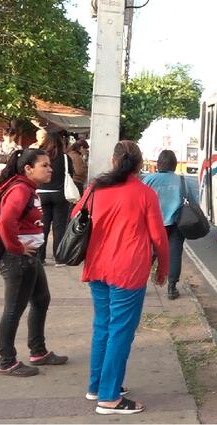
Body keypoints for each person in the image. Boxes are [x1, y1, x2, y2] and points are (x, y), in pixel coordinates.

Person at [72, 140, 169, 415]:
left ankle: (97, 387)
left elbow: (76, 215)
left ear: (114, 161)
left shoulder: (95, 188)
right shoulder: (145, 194)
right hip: (128, 271)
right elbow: (159, 238)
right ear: (139, 164)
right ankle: (109, 397)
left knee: (103, 325)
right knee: (120, 332)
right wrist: (163, 269)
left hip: (97, 266)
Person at [0, 148, 68, 376]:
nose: (50, 168)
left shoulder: (28, 188)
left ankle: (38, 351)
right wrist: (16, 248)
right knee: (13, 309)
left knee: (41, 299)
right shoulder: (20, 190)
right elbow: (5, 222)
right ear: (28, 169)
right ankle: (7, 361)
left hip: (30, 257)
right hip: (18, 259)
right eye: (44, 165)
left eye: (49, 164)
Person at [142, 150, 189, 300]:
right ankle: (171, 287)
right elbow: (191, 201)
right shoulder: (181, 181)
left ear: (159, 164)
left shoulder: (149, 180)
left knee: (150, 253)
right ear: (174, 165)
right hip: (176, 224)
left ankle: (140, 284)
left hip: (153, 223)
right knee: (174, 254)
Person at [36, 132, 75, 266]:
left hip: (41, 194)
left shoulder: (40, 157)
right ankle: (59, 258)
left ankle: (40, 258)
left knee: (43, 226)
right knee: (59, 228)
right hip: (60, 195)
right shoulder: (65, 158)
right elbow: (71, 174)